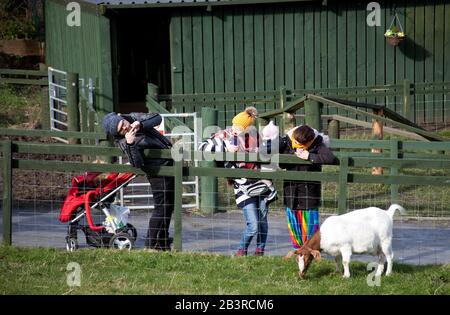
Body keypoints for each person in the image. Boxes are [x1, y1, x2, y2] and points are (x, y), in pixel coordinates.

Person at [102, 112, 174, 251]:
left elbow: (157, 117)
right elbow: (137, 163)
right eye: (120, 130)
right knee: (161, 207)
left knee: (169, 205)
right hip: (157, 171)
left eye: (123, 124)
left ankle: (163, 239)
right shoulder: (124, 141)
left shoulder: (133, 118)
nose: (125, 128)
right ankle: (150, 244)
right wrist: (131, 143)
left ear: (122, 118)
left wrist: (140, 124)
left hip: (168, 163)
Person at [226, 107, 277, 256]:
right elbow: (228, 159)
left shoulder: (257, 140)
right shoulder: (232, 140)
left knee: (262, 222)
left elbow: (267, 158)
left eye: (238, 126)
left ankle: (260, 250)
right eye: (234, 125)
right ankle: (242, 250)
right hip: (243, 187)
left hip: (261, 185)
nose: (234, 128)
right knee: (253, 225)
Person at [280, 124, 336, 249]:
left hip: (309, 192)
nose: (296, 144)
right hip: (291, 192)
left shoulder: (317, 142)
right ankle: (297, 252)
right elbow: (277, 160)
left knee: (310, 226)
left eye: (300, 143)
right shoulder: (287, 141)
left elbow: (330, 158)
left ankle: (311, 251)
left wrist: (309, 156)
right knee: (294, 224)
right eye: (295, 141)